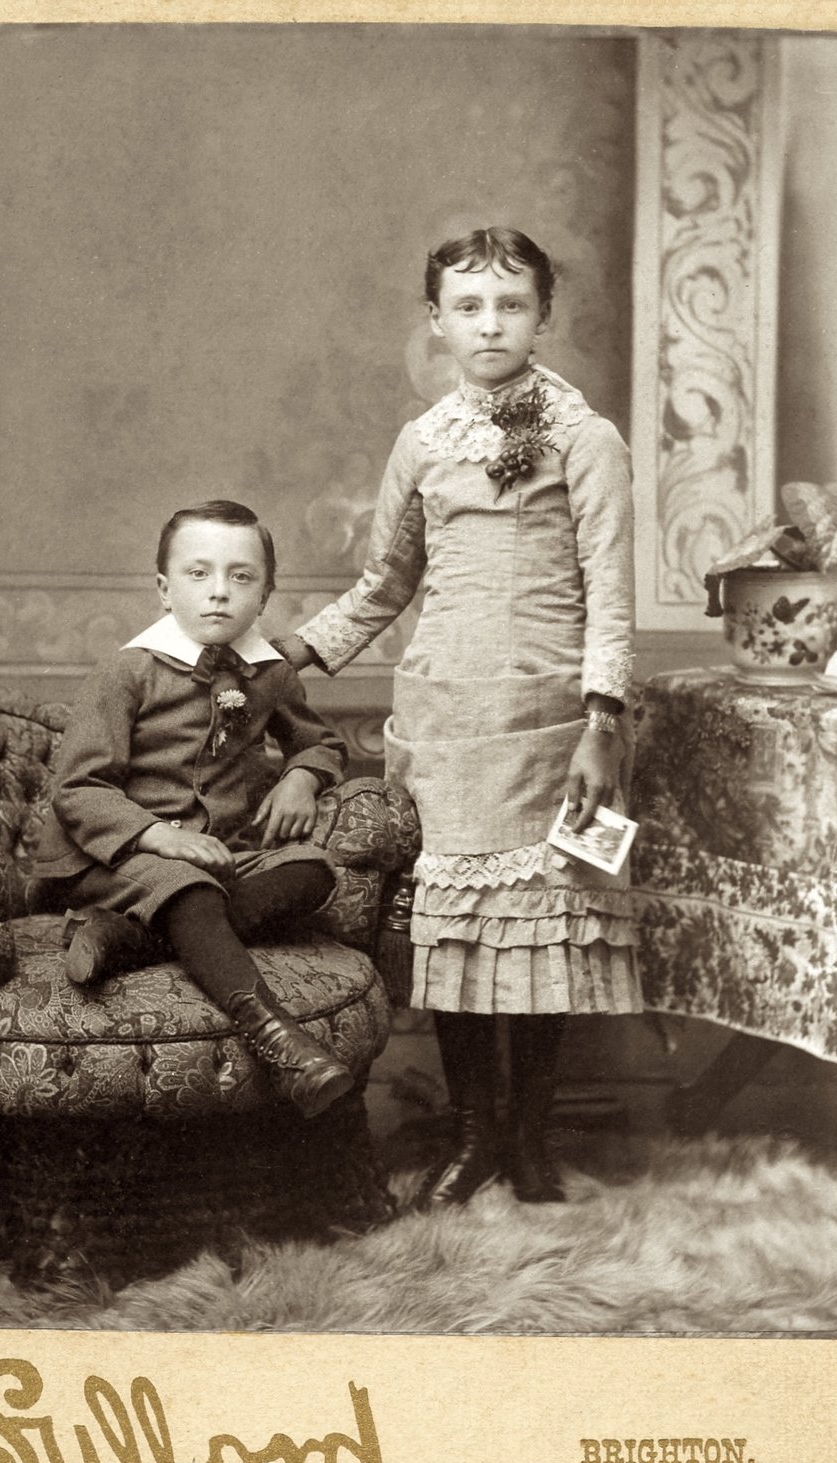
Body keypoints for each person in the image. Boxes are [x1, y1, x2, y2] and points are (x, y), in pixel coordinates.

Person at [280, 227, 642, 1200]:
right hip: (442, 723)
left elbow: (610, 590)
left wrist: (600, 724)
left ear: (542, 315)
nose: (490, 324)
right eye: (468, 306)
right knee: (455, 940)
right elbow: (381, 585)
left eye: (511, 303)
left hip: (554, 727)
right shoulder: (422, 444)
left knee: (544, 934)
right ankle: (473, 1136)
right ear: (435, 322)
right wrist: (287, 656)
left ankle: (528, 1140)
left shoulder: (585, 437)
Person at [32, 499, 354, 1120]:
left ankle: (126, 938)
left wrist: (301, 780)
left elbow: (320, 741)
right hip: (108, 854)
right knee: (188, 887)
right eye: (198, 574)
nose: (218, 594)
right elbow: (78, 788)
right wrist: (158, 837)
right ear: (163, 587)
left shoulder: (270, 674)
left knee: (313, 873)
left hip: (213, 855)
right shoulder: (127, 672)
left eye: (241, 577)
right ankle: (282, 1042)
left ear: (265, 595)